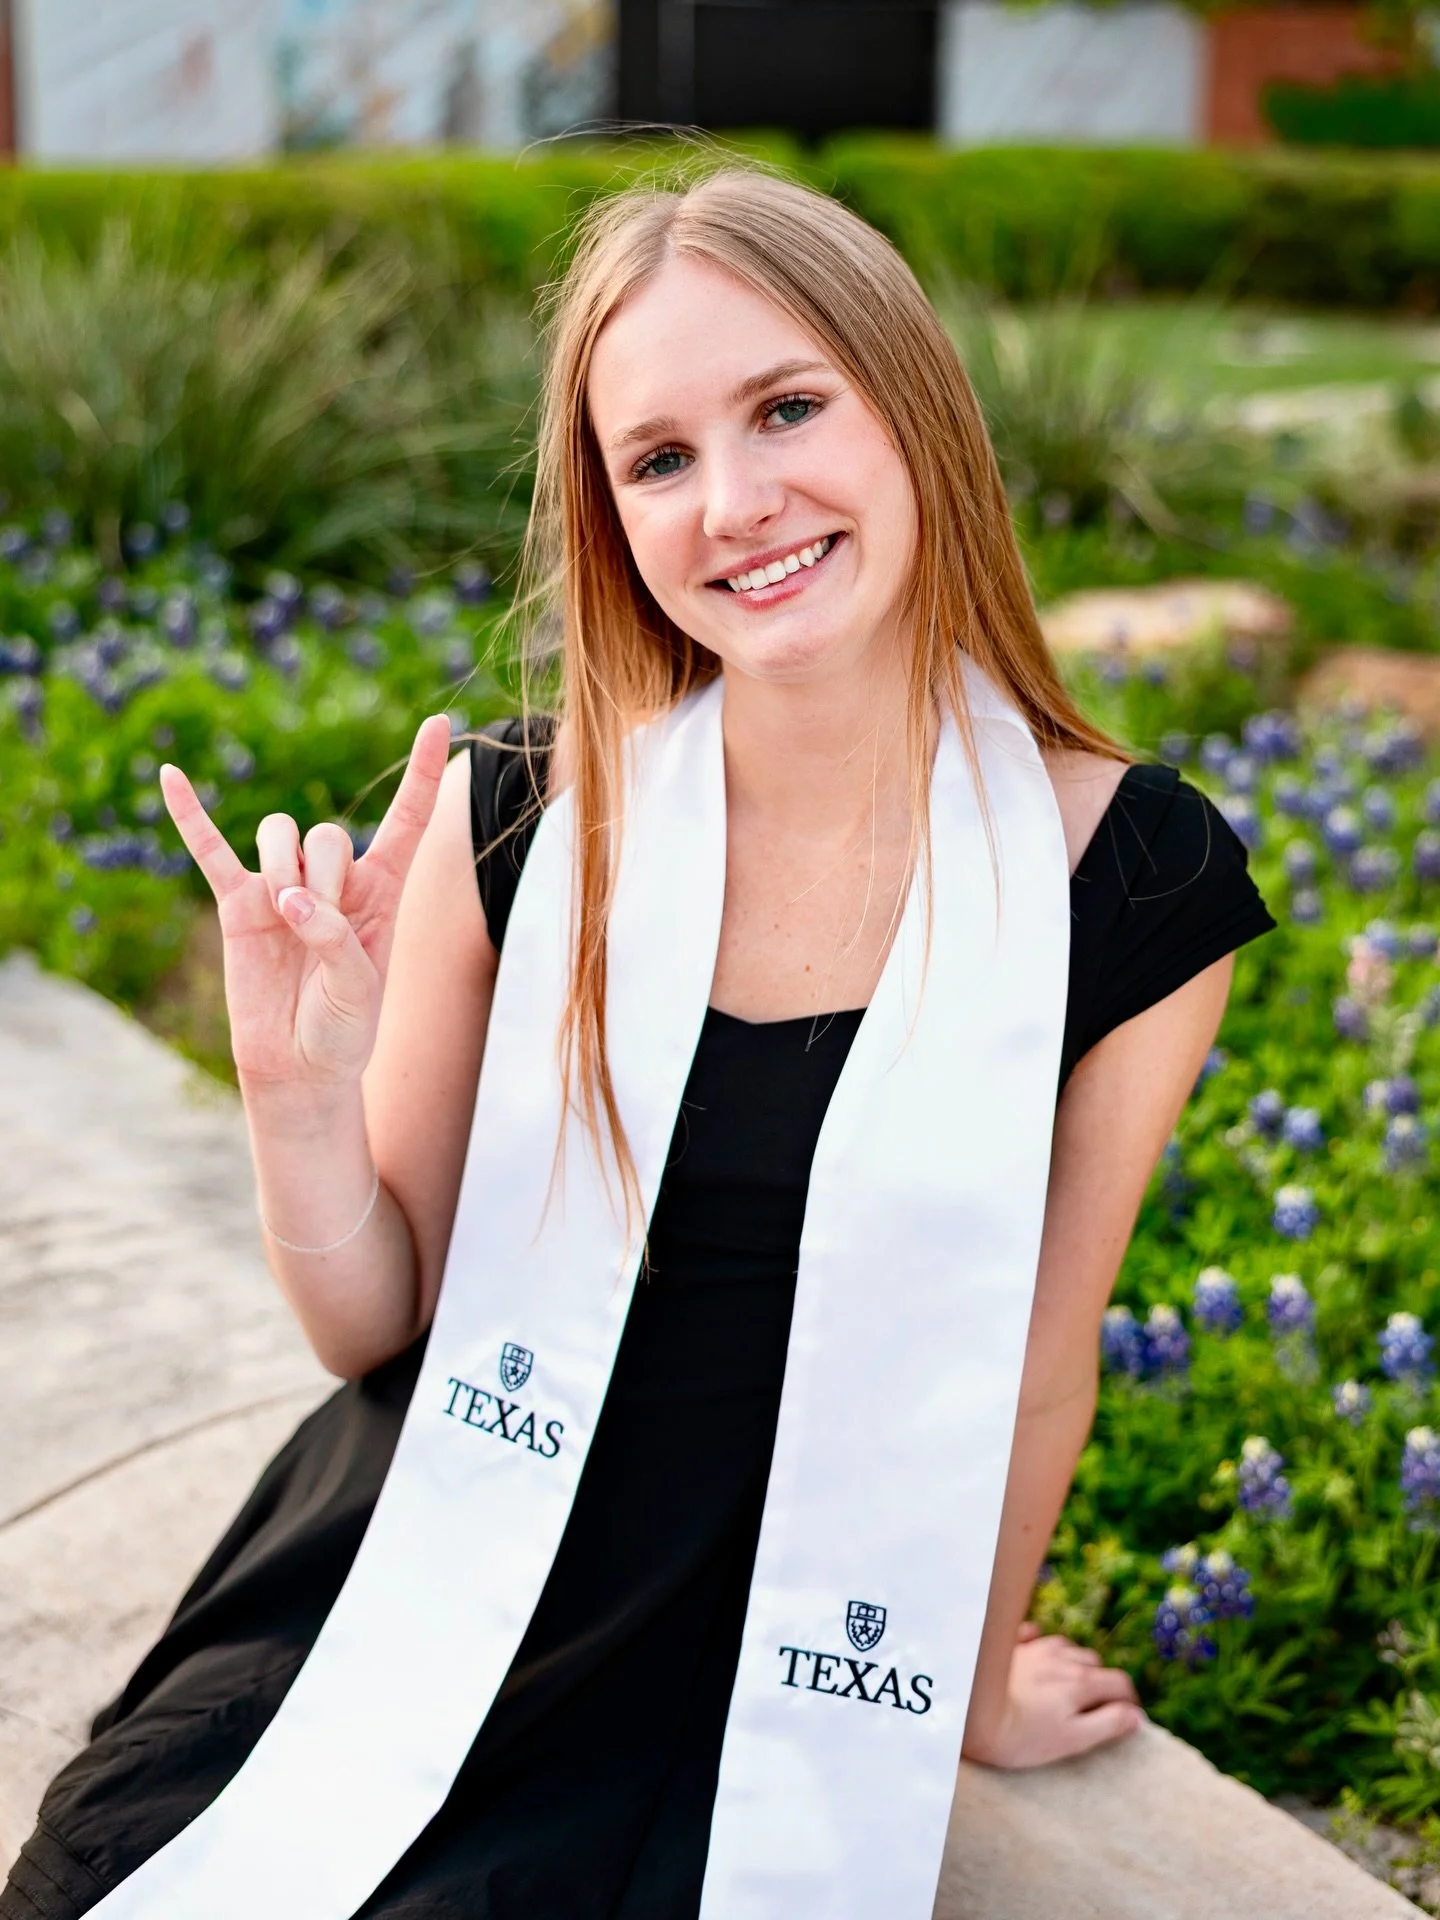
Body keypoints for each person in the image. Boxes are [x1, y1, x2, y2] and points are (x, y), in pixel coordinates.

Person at [3, 164, 1275, 1920]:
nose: (735, 502)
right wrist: (297, 1103)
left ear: (912, 403)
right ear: (610, 510)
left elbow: (1042, 1358)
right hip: (414, 1557)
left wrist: (969, 1683)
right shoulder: (524, 818)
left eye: (788, 407)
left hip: (748, 1634)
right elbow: (373, 1321)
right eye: (658, 457)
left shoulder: (1129, 877)